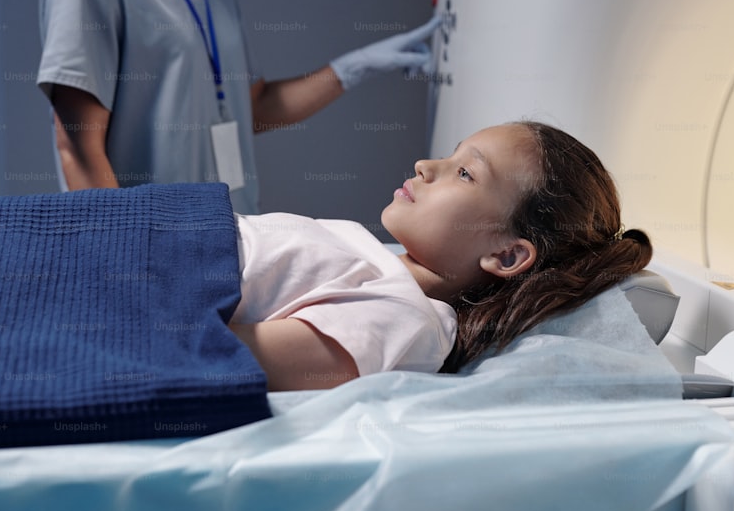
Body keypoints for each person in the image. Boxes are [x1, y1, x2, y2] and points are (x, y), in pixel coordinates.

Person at [37, 0, 442, 214]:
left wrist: (353, 68)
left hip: (234, 237)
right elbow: (77, 146)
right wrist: (126, 264)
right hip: (149, 252)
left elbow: (253, 106)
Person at [229, 120, 653, 389]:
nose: (424, 165)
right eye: (451, 156)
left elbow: (206, 357)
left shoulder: (405, 319)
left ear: (506, 254)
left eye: (465, 173)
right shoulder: (376, 261)